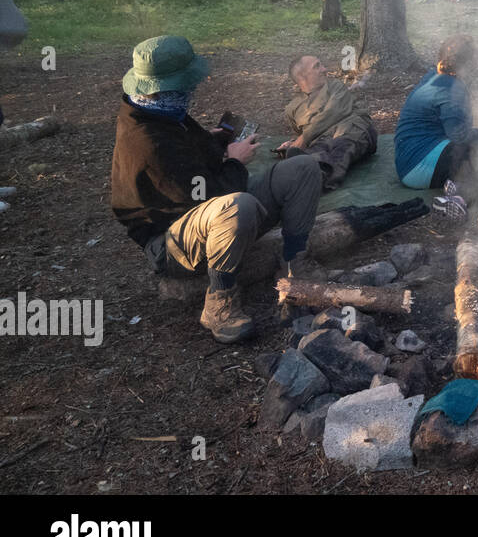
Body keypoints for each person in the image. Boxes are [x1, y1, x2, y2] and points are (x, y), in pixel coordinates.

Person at [110, 35, 323, 343]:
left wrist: (216, 140)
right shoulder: (147, 142)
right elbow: (209, 196)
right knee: (239, 205)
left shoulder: (157, 110)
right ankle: (219, 302)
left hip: (206, 219)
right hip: (171, 244)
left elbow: (187, 154)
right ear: (165, 88)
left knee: (303, 167)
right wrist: (235, 162)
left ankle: (294, 263)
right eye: (186, 86)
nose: (192, 91)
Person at [394, 34, 478, 215]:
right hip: (420, 167)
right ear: (467, 64)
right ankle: (459, 197)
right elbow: (460, 137)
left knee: (474, 154)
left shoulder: (432, 75)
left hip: (406, 163)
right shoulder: (452, 88)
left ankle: (455, 185)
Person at [279, 54, 377, 191]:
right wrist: (293, 143)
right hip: (324, 140)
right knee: (317, 150)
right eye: (317, 66)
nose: (325, 69)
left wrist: (304, 138)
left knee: (342, 143)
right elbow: (303, 135)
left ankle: (321, 178)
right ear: (302, 77)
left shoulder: (335, 87)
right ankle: (303, 167)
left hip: (353, 129)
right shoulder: (293, 108)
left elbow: (333, 112)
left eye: (322, 64)